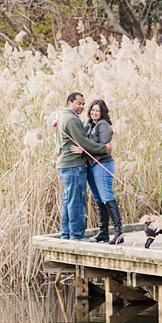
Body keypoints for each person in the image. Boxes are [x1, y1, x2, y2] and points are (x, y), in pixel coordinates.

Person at [56, 92, 111, 240]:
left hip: (65, 164)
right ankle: (77, 235)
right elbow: (84, 142)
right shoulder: (72, 119)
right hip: (74, 165)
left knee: (68, 200)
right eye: (79, 103)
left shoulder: (62, 117)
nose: (81, 106)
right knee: (77, 201)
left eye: (83, 104)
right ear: (70, 103)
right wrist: (104, 148)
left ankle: (66, 234)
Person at [82, 99, 124, 244]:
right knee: (98, 199)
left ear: (102, 113)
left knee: (107, 196)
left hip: (103, 164)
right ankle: (103, 232)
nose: (94, 113)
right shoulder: (87, 124)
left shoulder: (103, 125)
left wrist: (84, 148)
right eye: (93, 110)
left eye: (98, 111)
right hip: (91, 165)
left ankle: (119, 233)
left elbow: (103, 147)